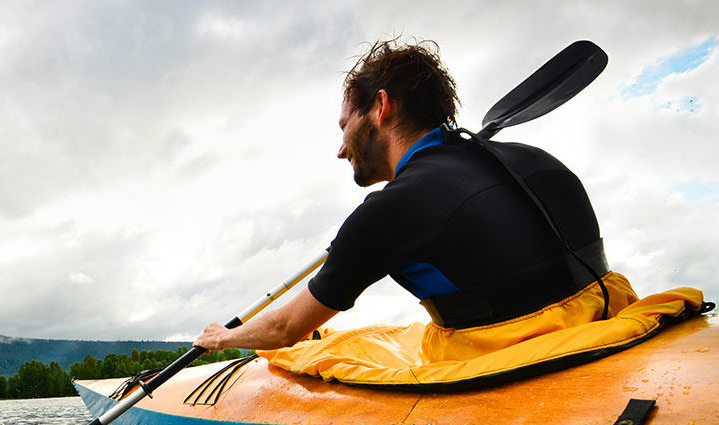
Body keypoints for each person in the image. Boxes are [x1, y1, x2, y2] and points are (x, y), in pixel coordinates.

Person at [193, 38, 612, 355]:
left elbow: (286, 330)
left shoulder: (388, 212)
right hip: (614, 326)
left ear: (381, 106)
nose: (341, 148)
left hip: (525, 366)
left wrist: (226, 337)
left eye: (344, 126)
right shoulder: (535, 161)